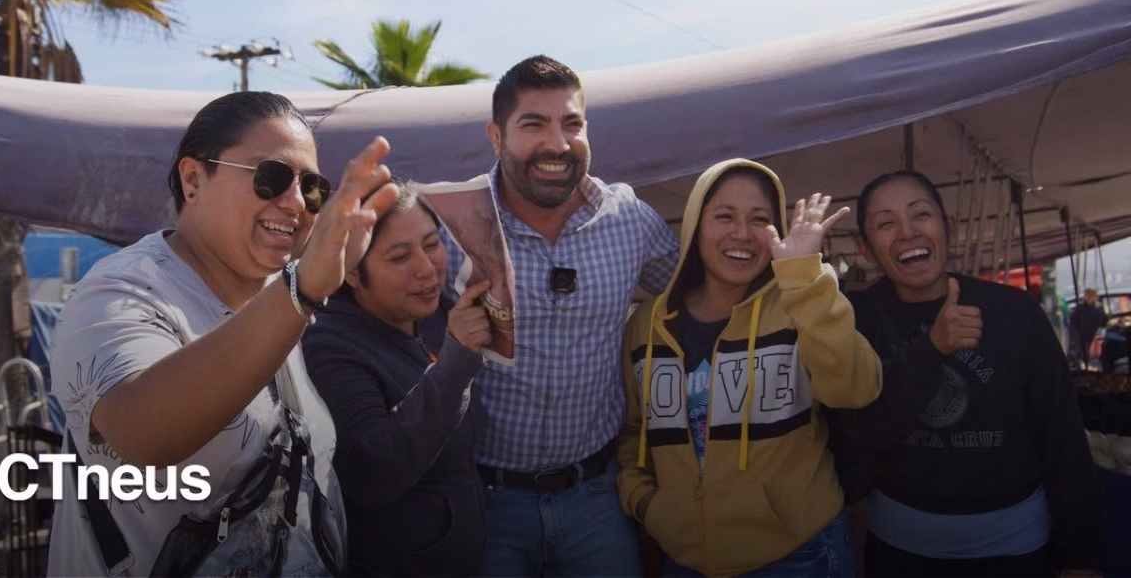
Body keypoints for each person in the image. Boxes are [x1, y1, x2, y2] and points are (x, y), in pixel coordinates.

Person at [48, 91, 399, 577]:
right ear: (193, 180)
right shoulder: (119, 292)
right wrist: (302, 291)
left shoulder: (278, 293)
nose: (296, 202)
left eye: (312, 186)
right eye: (271, 176)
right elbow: (141, 432)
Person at [442, 54, 680, 576]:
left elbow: (700, 297)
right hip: (486, 501)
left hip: (597, 498)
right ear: (496, 138)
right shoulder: (452, 227)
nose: (558, 143)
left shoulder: (630, 220)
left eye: (572, 124)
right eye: (534, 124)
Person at [615, 159, 882, 576]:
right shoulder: (648, 324)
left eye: (759, 219)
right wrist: (645, 501)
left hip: (798, 554)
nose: (742, 233)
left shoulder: (800, 302)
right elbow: (634, 431)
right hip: (685, 558)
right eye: (724, 216)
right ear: (694, 227)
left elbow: (856, 388)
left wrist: (804, 279)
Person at [835, 170, 1104, 577]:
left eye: (921, 214)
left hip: (1017, 550)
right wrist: (930, 351)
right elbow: (863, 432)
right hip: (899, 550)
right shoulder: (858, 320)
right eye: (886, 223)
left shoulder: (1014, 313)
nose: (907, 233)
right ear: (865, 249)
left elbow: (1062, 436)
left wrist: (1081, 557)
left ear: (950, 228)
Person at [301, 181, 493, 576]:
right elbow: (371, 473)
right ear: (352, 272)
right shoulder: (330, 345)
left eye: (432, 244)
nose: (426, 268)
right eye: (399, 256)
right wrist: (455, 363)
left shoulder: (433, 313)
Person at [1072, 288, 1108, 365]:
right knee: (1088, 358)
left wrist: (1100, 335)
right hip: (1085, 340)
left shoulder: (1099, 308)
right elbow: (1074, 324)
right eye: (1089, 296)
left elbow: (1104, 322)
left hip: (1097, 338)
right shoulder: (1080, 309)